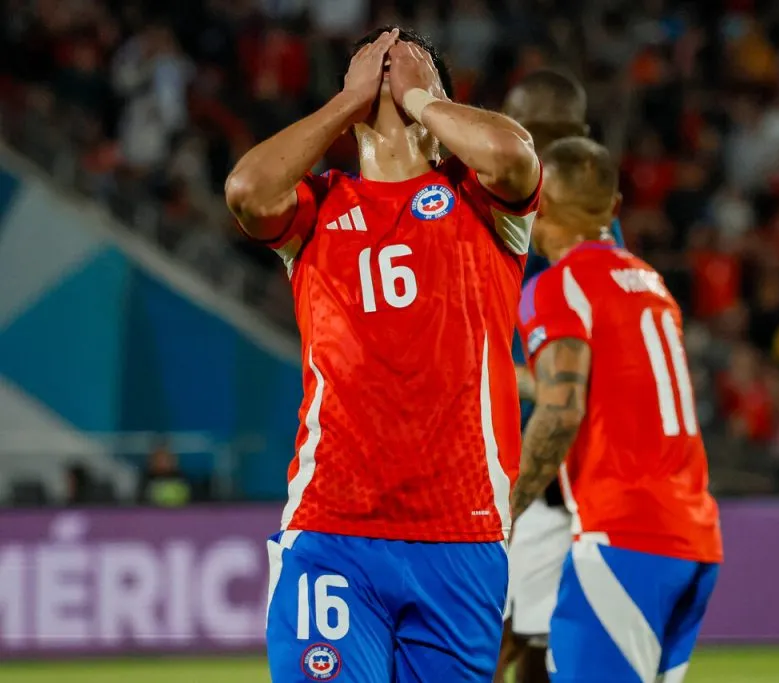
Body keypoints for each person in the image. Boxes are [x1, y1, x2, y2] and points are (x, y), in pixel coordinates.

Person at [225, 26, 541, 683]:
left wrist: (423, 100)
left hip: (461, 536)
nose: (390, 75)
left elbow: (513, 156)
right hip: (333, 528)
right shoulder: (317, 206)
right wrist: (347, 103)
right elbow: (246, 191)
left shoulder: (483, 202)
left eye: (409, 68)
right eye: (376, 68)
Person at [513, 137, 723, 683]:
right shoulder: (650, 284)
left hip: (624, 532)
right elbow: (611, 389)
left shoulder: (557, 286)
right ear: (614, 206)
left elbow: (562, 410)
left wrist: (501, 512)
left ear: (539, 202)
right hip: (693, 535)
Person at [496, 68, 626, 683]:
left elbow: (581, 374)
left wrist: (505, 375)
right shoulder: (488, 202)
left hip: (554, 463)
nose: (531, 144)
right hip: (513, 452)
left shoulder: (574, 232)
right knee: (511, 633)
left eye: (546, 132)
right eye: (525, 129)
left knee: (516, 636)